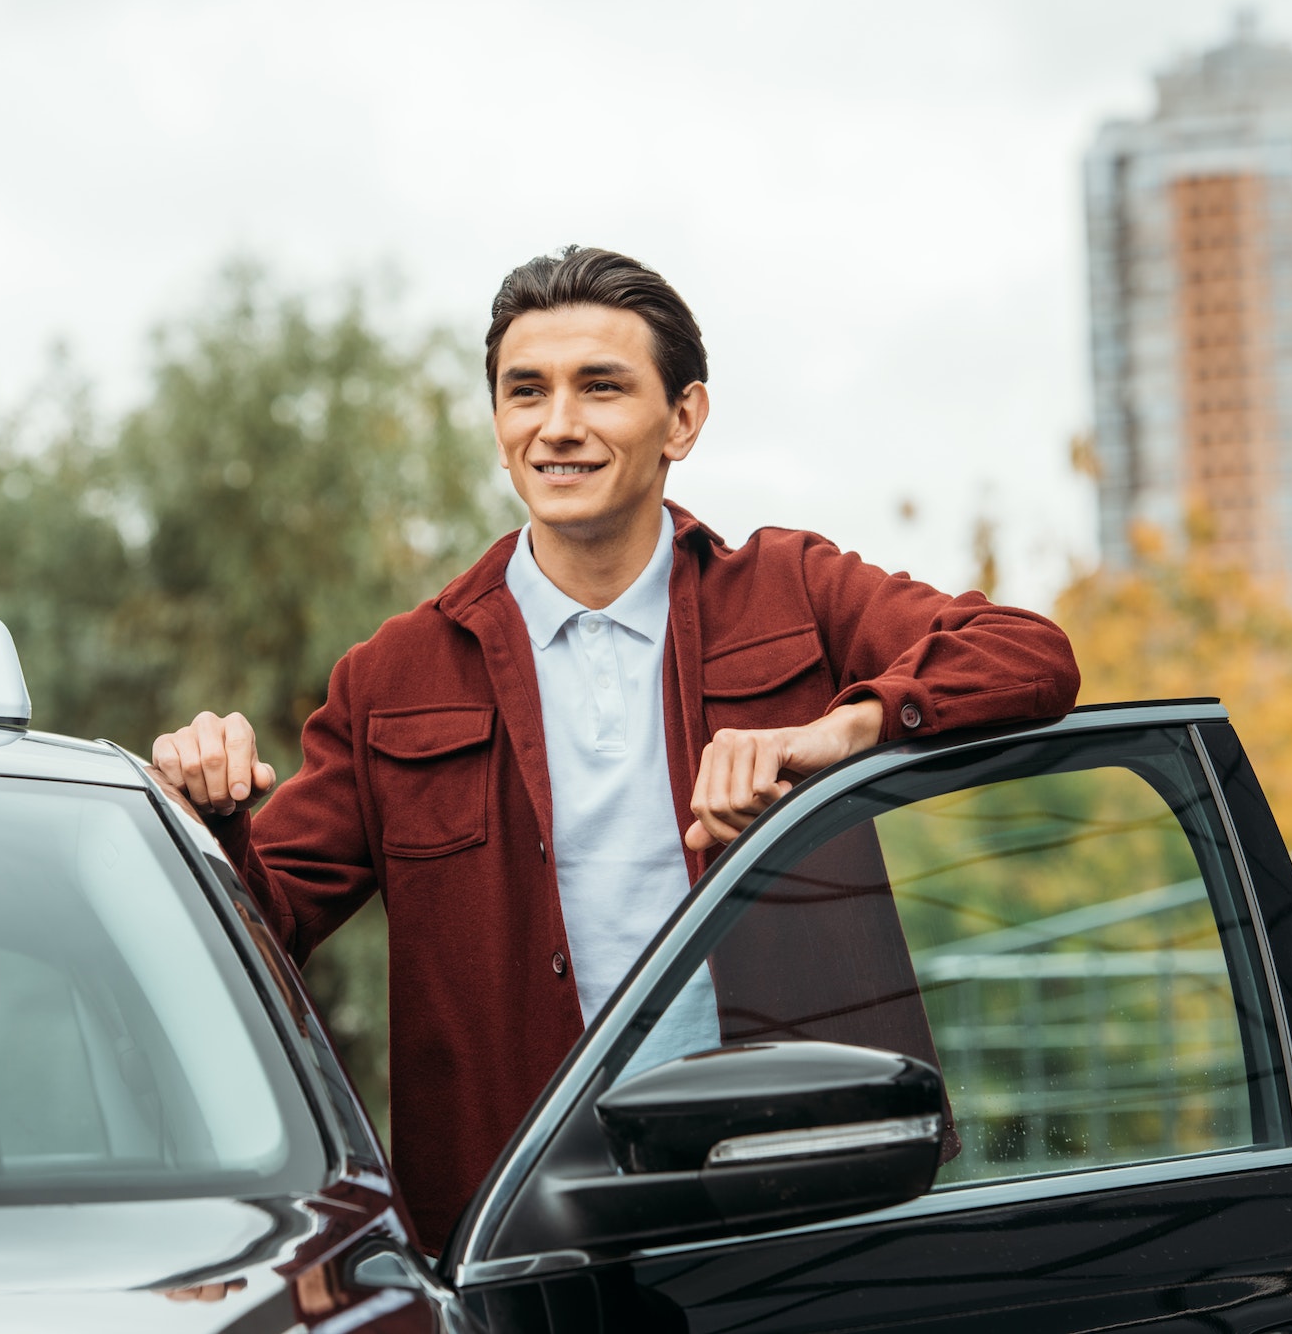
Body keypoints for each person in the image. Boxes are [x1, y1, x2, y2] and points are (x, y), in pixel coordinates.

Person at [153, 246, 1080, 1249]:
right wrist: (207, 819)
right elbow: (261, 923)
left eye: (600, 387)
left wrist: (842, 732)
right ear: (499, 425)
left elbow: (1026, 654)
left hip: (798, 1192)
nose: (557, 425)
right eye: (525, 392)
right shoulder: (394, 678)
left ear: (682, 418)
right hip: (523, 1218)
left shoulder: (792, 592)